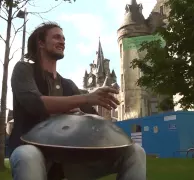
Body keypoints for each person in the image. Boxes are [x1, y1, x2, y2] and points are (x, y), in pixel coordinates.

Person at [9, 22, 146, 180]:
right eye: (56, 37)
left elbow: (96, 123)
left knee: (135, 151)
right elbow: (34, 103)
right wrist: (85, 98)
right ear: (40, 43)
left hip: (69, 160)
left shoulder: (68, 85)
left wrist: (81, 114)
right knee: (27, 155)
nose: (62, 41)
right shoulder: (24, 70)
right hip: (34, 151)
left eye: (64, 38)